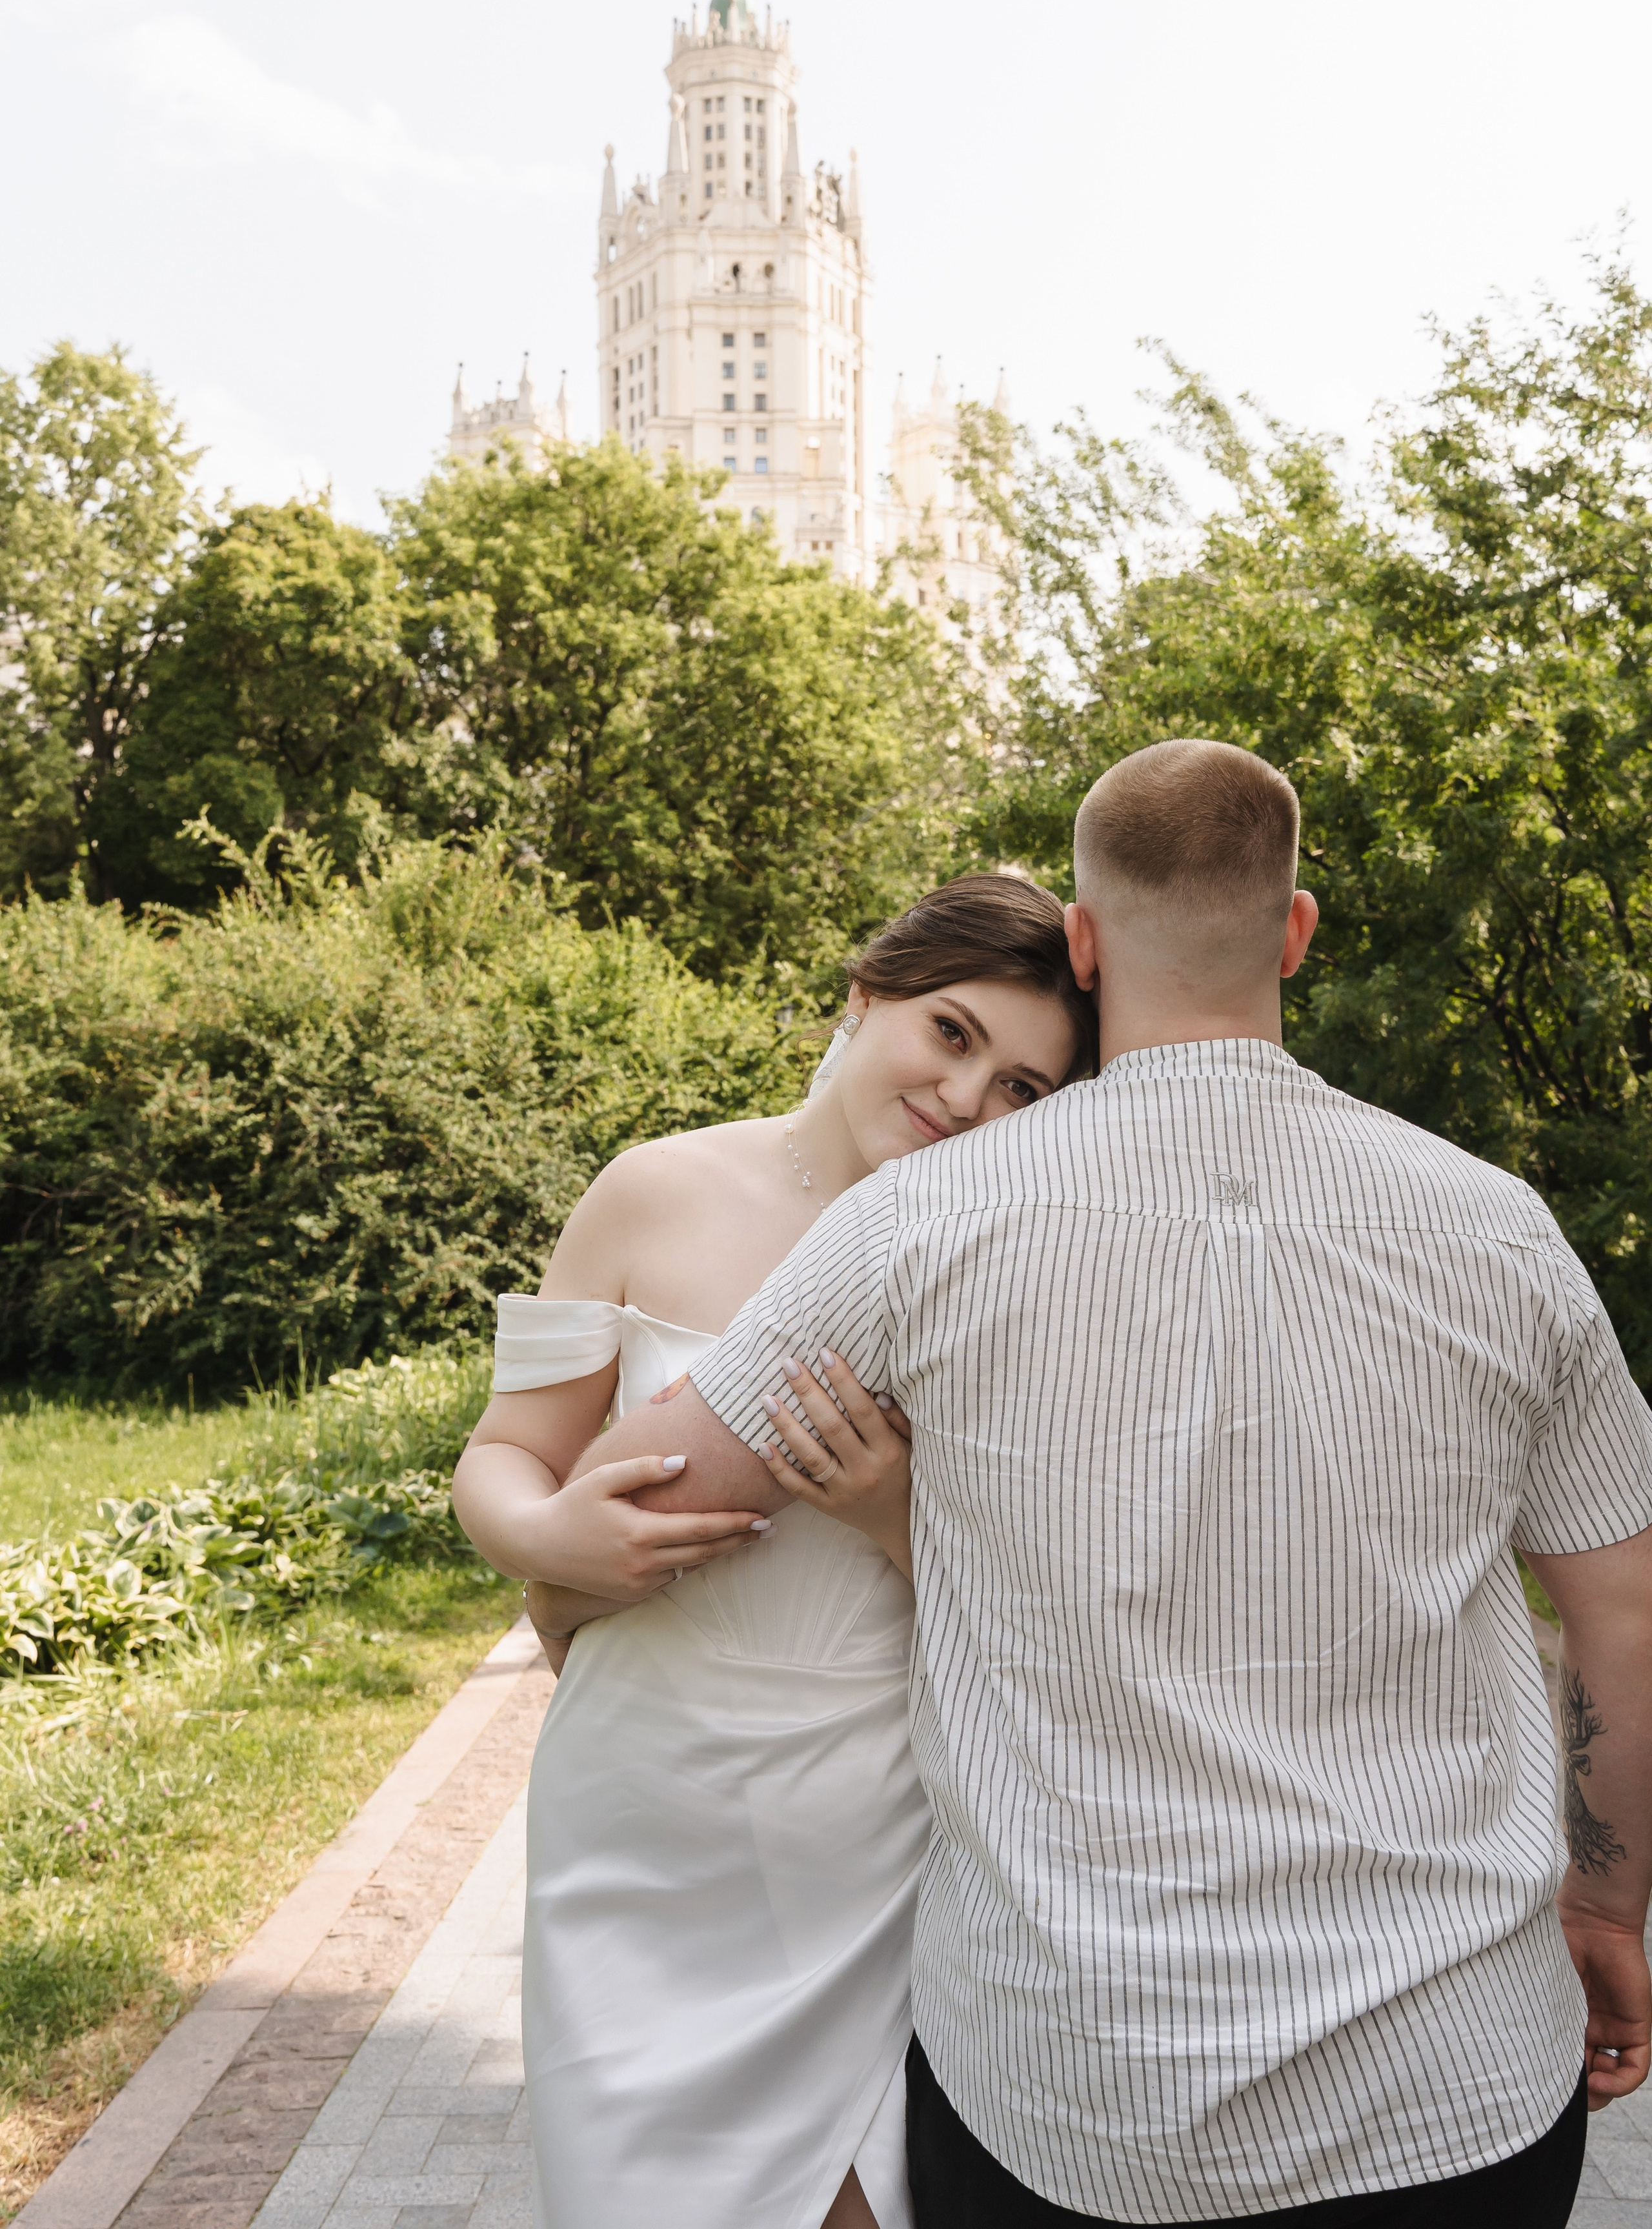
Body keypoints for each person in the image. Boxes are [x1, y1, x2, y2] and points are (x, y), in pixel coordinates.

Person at [590, 738, 1652, 2228]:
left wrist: (525, 1523)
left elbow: (641, 1495)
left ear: (1082, 949)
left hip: (1067, 2092)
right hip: (1451, 2081)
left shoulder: (915, 1223)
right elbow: (1623, 1606)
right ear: (1294, 933)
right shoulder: (1497, 1232)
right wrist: (1606, 1907)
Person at [451, 874, 1096, 2229]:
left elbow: (1040, 1594)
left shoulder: (1004, 1263)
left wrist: (886, 1513)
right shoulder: (657, 1187)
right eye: (952, 1033)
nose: (968, 1099)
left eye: (1024, 1088)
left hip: (871, 1820)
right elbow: (504, 1451)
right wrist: (545, 1536)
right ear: (865, 996)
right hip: (634, 1813)